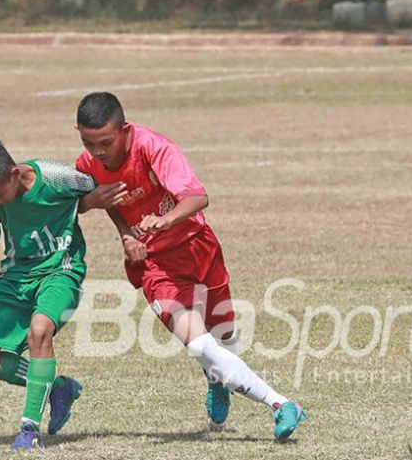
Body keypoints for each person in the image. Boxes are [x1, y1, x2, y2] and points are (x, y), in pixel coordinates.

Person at [74, 92, 306, 441]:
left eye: (106, 142)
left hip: (198, 248)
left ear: (124, 129)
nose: (99, 152)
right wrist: (126, 236)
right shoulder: (86, 164)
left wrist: (166, 220)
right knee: (198, 345)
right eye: (88, 143)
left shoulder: (154, 147)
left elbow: (198, 197)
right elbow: (104, 203)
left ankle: (217, 378)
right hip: (155, 265)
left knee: (224, 333)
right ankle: (282, 404)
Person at [0, 138, 125, 451]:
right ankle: (58, 387)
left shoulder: (54, 176)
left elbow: (97, 191)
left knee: (40, 331)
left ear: (14, 173)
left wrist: (125, 235)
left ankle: (29, 430)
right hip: (15, 278)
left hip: (61, 272)